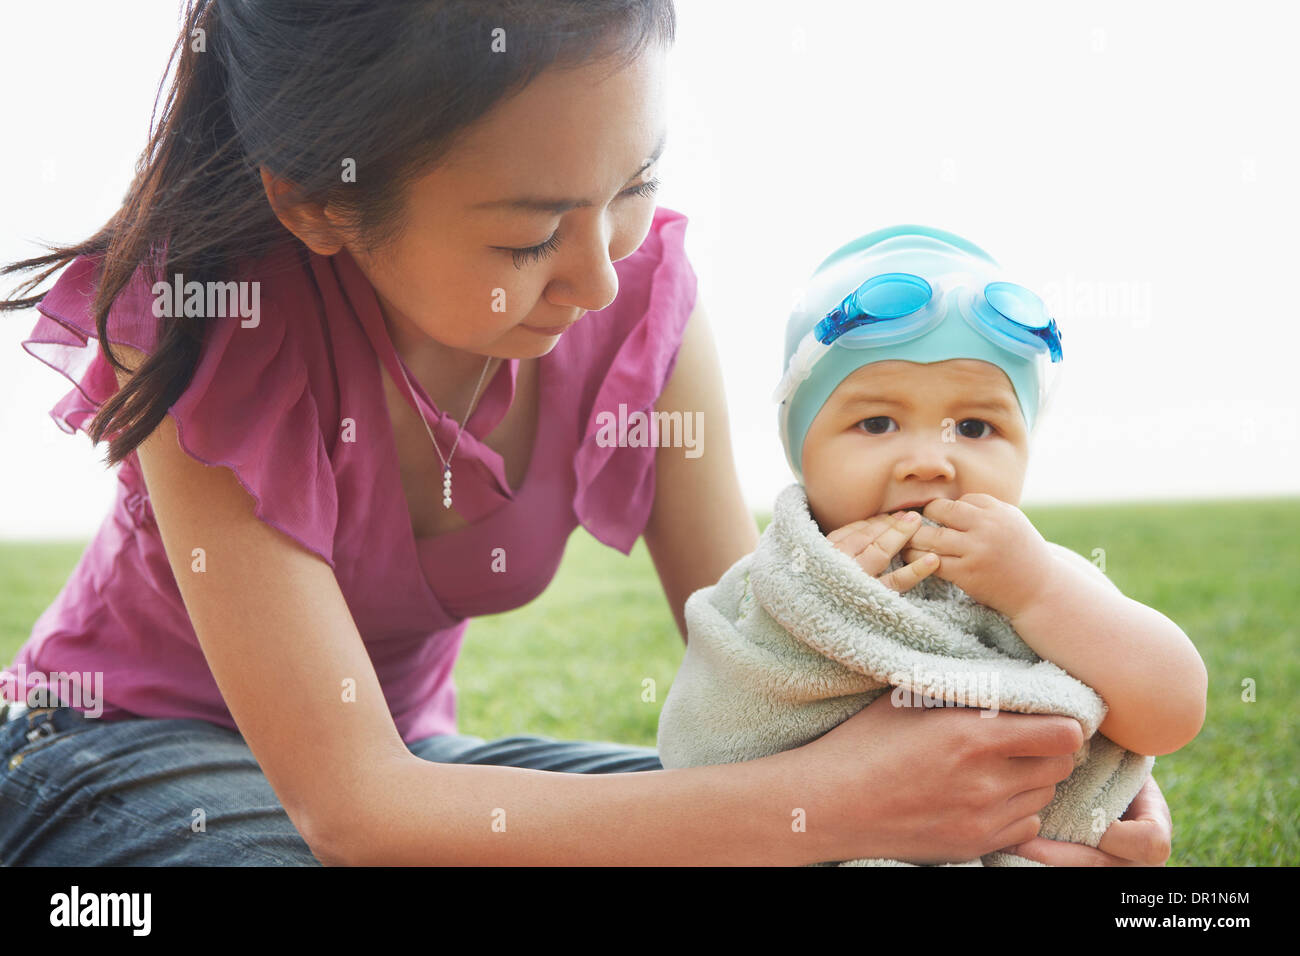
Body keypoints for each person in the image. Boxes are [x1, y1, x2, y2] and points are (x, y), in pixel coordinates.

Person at [0, 0, 1173, 866]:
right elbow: (351, 812)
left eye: (634, 182)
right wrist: (843, 802)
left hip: (414, 777)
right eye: (526, 238)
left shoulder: (642, 295)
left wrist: (1030, 778)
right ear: (318, 202)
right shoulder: (208, 317)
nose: (603, 278)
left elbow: (787, 653)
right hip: (116, 749)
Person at [657, 225, 1205, 865]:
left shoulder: (1048, 581)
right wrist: (812, 607)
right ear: (800, 449)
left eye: (975, 426)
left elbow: (1173, 712)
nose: (929, 461)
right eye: (877, 422)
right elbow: (698, 748)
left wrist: (1037, 593)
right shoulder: (770, 588)